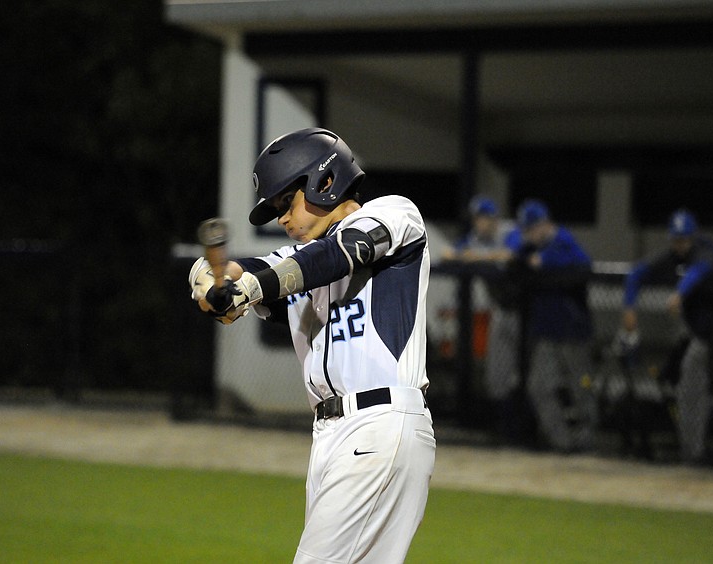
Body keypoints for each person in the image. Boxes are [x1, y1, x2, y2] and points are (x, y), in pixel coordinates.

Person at [188, 128, 435, 563]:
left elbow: (341, 253)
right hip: (331, 436)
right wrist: (211, 281)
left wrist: (255, 287)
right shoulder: (297, 258)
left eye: (287, 201)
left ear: (326, 181)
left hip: (379, 424)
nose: (282, 219)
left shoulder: (394, 213)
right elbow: (244, 269)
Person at [622, 209, 713, 465]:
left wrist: (679, 293)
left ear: (693, 236)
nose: (680, 244)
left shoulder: (707, 252)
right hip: (703, 336)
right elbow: (636, 274)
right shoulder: (673, 257)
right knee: (689, 390)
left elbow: (699, 271)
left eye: (684, 239)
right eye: (676, 239)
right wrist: (629, 307)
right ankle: (692, 453)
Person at [509, 199, 597, 453]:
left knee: (581, 386)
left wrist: (545, 263)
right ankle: (563, 442)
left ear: (545, 224)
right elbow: (516, 259)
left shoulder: (563, 241)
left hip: (573, 332)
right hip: (546, 332)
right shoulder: (530, 249)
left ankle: (586, 442)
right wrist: (532, 262)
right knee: (539, 386)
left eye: (531, 229)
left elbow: (583, 266)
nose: (528, 235)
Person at [444, 195, 526, 443]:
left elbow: (511, 255)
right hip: (501, 310)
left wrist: (476, 256)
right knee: (497, 375)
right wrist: (473, 255)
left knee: (527, 374)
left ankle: (526, 431)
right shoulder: (475, 239)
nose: (479, 223)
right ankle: (505, 430)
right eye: (476, 219)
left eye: (483, 218)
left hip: (527, 313)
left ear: (493, 218)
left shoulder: (509, 231)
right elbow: (449, 254)